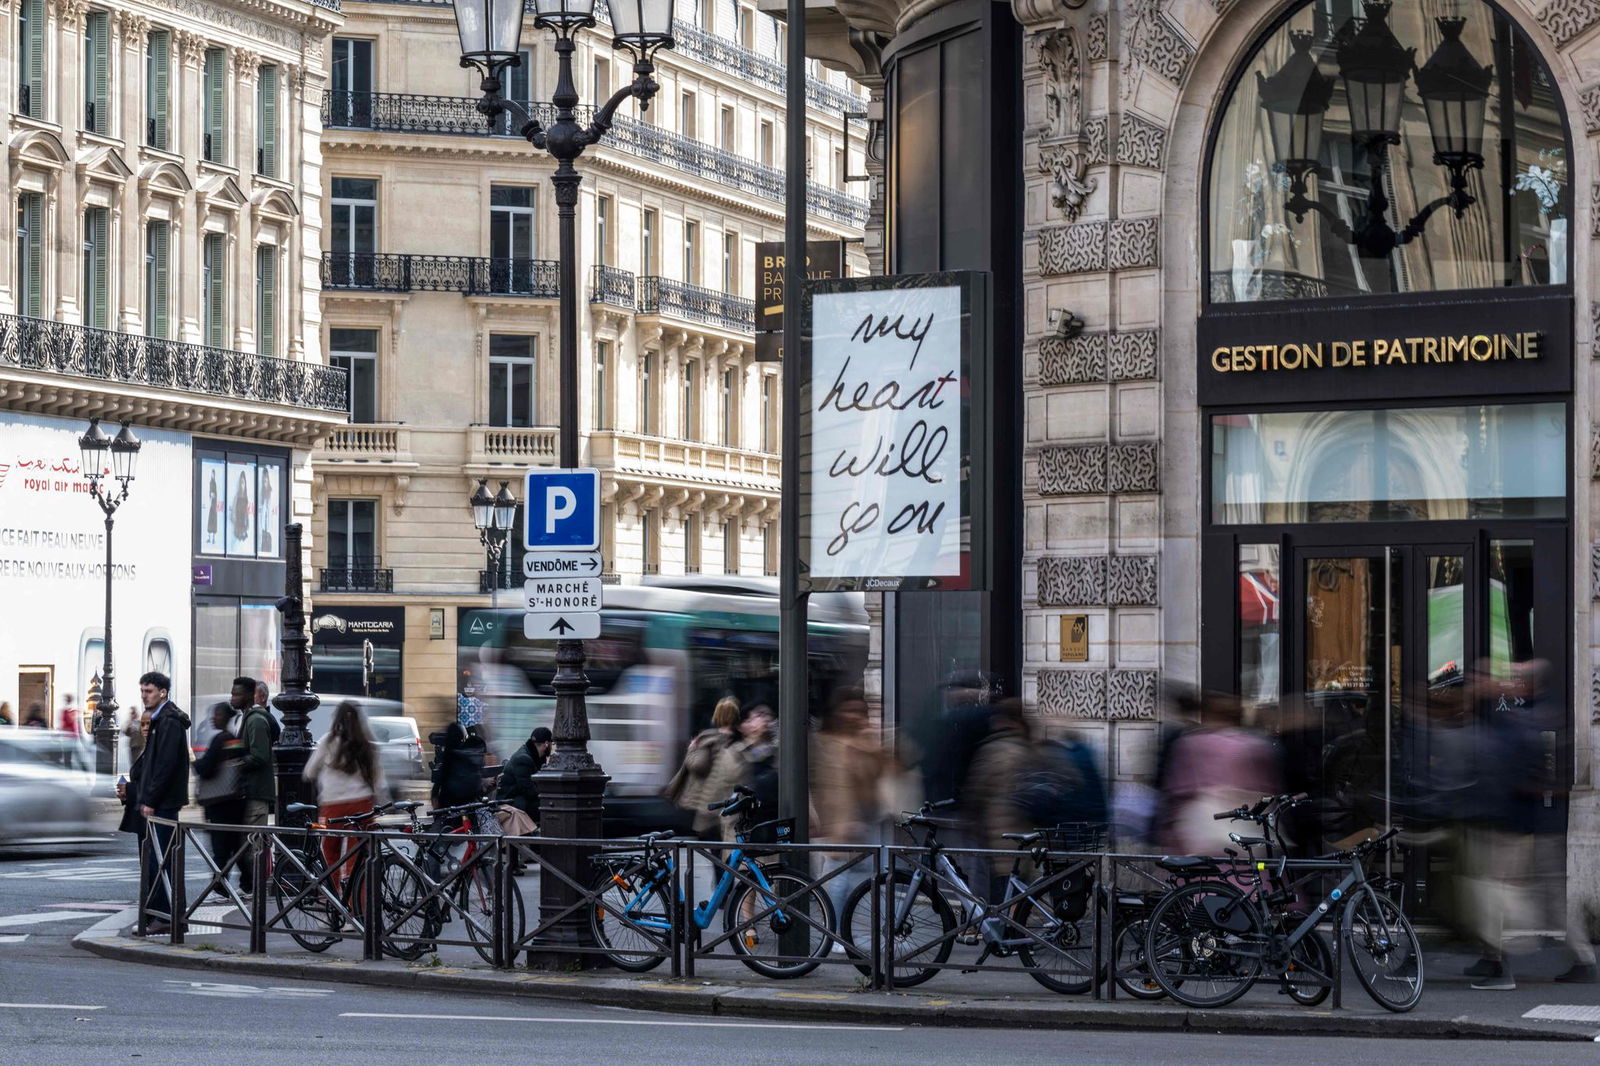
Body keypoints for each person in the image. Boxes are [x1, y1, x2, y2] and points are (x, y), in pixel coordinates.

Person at [1154, 692, 1281, 857]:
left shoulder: (1193, 744)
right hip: (1247, 824)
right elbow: (1269, 787)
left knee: (1203, 873)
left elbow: (1177, 788)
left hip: (1204, 827)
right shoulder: (1257, 746)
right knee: (1250, 870)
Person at [811, 688, 887, 913]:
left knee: (875, 877)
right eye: (849, 710)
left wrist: (871, 750)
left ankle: (871, 933)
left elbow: (876, 777)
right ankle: (833, 933)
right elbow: (822, 784)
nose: (854, 716)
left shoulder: (865, 741)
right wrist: (827, 819)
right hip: (839, 821)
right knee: (838, 878)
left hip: (868, 818)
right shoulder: (826, 742)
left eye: (859, 711)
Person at [303, 701, 387, 895]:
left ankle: (333, 902)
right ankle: (357, 909)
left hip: (333, 806)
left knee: (330, 855)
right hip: (363, 804)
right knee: (358, 858)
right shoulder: (368, 745)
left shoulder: (328, 741)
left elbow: (309, 771)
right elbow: (379, 781)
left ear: (337, 719)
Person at [135, 672, 190, 936]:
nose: (144, 695)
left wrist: (151, 800)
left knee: (161, 861)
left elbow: (165, 765)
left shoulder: (168, 721)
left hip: (164, 803)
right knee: (159, 860)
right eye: (143, 691)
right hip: (162, 801)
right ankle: (163, 916)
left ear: (163, 692)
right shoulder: (162, 720)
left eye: (149, 691)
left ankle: (165, 916)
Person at [665, 696, 743, 838]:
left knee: (712, 841)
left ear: (717, 715)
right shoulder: (739, 739)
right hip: (732, 798)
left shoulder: (709, 739)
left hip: (712, 800)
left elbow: (698, 766)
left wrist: (691, 750)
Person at [193, 703, 246, 889]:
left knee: (220, 848)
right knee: (235, 845)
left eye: (217, 714)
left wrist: (193, 761)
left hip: (219, 802)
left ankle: (220, 887)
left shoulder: (219, 740)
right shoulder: (234, 739)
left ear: (225, 717)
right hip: (235, 801)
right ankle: (246, 883)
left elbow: (206, 769)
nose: (213, 718)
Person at [231, 676, 274, 894]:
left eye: (236, 694)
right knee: (247, 842)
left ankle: (255, 888)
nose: (232, 698)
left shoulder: (255, 720)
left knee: (253, 843)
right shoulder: (247, 718)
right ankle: (251, 886)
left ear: (249, 696)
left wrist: (236, 764)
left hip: (256, 792)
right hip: (249, 792)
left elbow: (259, 755)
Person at [496, 726, 552, 824]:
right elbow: (529, 791)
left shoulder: (534, 756)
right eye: (552, 743)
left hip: (519, 798)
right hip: (511, 803)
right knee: (549, 806)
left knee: (549, 804)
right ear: (546, 744)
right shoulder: (523, 759)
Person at [430, 720, 487, 808]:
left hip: (450, 801)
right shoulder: (473, 753)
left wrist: (434, 796)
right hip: (470, 800)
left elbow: (441, 778)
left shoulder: (450, 755)